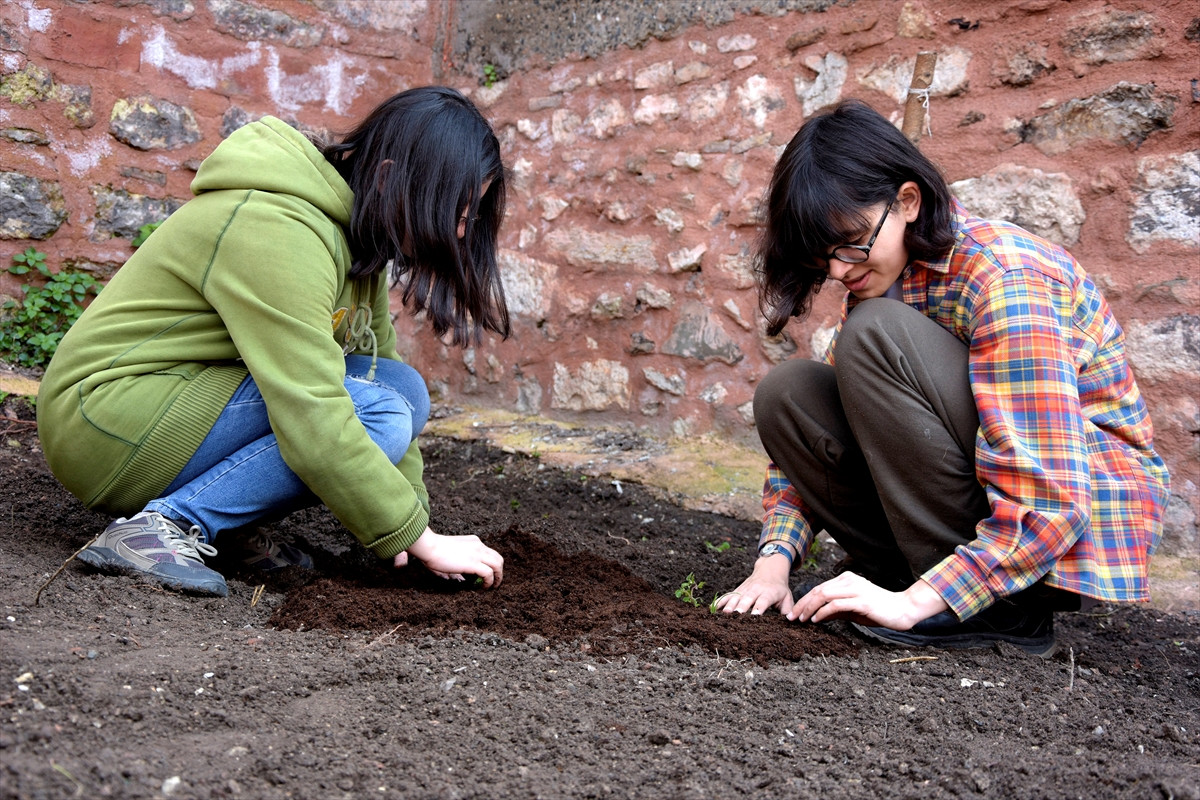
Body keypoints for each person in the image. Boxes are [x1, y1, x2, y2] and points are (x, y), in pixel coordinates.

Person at [714, 100, 1169, 656]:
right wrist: (773, 563)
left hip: (1056, 527)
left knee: (873, 334)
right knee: (788, 394)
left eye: (852, 241)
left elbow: (1051, 497)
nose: (838, 270)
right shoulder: (885, 279)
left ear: (908, 201)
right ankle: (909, 577)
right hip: (964, 517)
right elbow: (828, 429)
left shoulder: (1005, 275)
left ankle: (995, 607)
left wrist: (916, 604)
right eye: (822, 256)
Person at [37, 86, 507, 598]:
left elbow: (381, 373)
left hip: (175, 403)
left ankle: (226, 527)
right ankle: (167, 525)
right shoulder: (276, 226)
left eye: (469, 217)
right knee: (377, 411)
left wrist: (413, 527)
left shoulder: (359, 242)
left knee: (402, 389)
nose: (461, 233)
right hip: (105, 420)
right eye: (455, 211)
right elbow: (310, 407)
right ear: (390, 178)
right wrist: (419, 537)